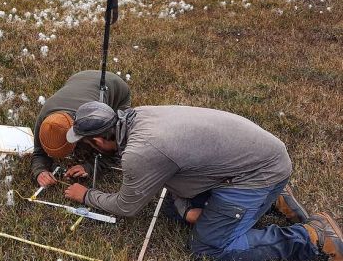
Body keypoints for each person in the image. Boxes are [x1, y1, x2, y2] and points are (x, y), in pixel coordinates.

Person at [62, 102, 342, 260]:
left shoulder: (142, 151)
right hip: (255, 156)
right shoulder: (140, 116)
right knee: (172, 210)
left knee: (211, 247)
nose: (91, 149)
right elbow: (172, 170)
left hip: (257, 173)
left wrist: (86, 195)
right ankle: (271, 199)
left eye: (89, 145)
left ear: (99, 139)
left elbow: (126, 206)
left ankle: (311, 238)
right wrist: (185, 209)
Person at [30, 70, 130, 188]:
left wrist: (88, 167)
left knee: (114, 138)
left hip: (114, 85)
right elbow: (38, 152)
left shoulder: (94, 119)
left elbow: (115, 152)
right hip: (78, 78)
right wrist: (40, 171)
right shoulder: (44, 120)